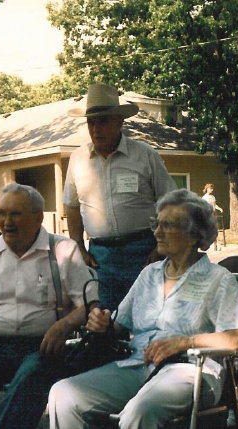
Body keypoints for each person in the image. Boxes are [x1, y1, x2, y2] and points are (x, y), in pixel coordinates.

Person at [48, 189, 238, 429]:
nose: (157, 232)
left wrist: (184, 342)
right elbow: (117, 325)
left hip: (190, 371)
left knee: (140, 409)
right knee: (63, 394)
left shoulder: (218, 279)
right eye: (157, 224)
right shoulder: (150, 274)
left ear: (194, 234)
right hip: (137, 364)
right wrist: (102, 323)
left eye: (168, 225)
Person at [0, 183, 97, 429]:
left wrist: (64, 325)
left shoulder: (62, 250)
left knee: (31, 377)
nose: (6, 221)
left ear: (38, 218)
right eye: (1, 213)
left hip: (42, 347)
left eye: (15, 214)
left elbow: (89, 305)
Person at [64, 82, 176, 311]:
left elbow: (172, 204)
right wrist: (78, 247)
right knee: (105, 319)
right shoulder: (77, 159)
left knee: (149, 315)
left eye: (103, 121)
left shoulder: (144, 155)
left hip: (144, 251)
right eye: (91, 122)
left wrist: (160, 247)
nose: (96, 129)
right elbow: (72, 206)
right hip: (100, 256)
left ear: (119, 121)